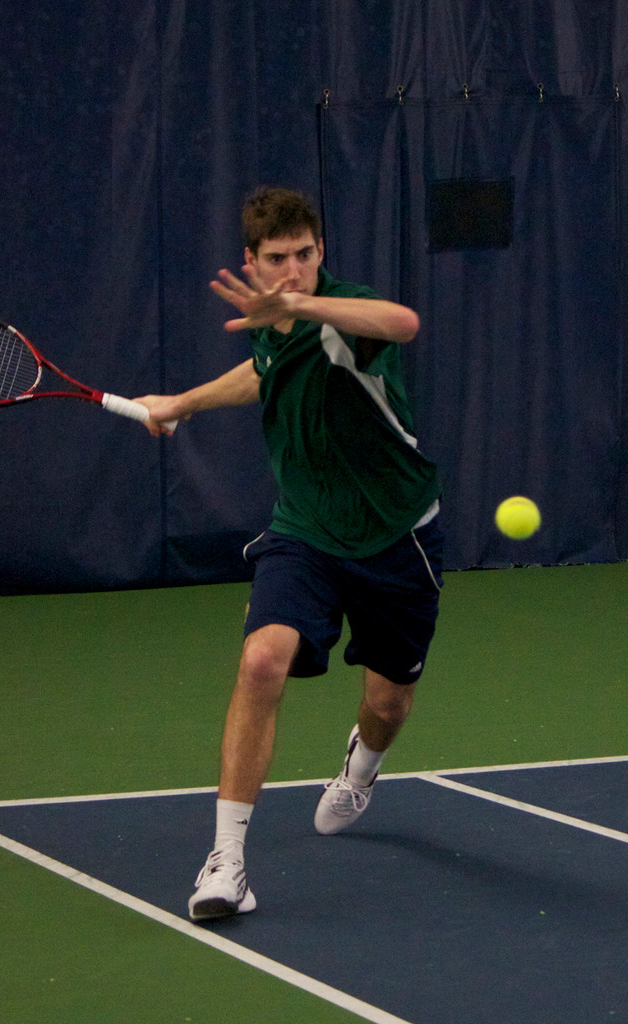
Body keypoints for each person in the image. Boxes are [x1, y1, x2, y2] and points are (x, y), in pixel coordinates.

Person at [134, 186, 443, 922]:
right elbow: (265, 372)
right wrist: (182, 403)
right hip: (304, 528)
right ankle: (226, 862)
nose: (294, 268)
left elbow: (402, 322)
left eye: (305, 255)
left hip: (395, 536)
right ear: (252, 260)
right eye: (278, 259)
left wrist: (299, 306)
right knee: (261, 659)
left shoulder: (340, 312)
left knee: (387, 700)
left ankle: (360, 768)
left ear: (320, 252)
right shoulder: (269, 320)